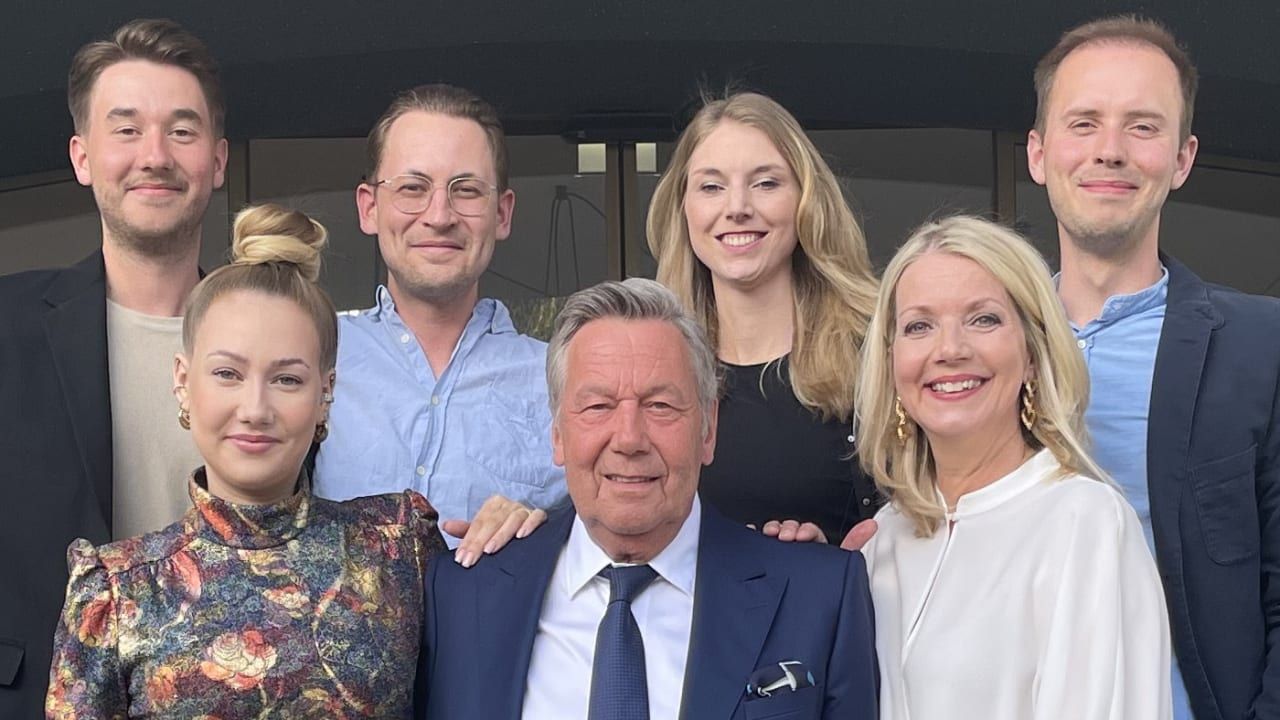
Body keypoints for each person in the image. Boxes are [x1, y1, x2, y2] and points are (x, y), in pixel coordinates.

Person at [46, 204, 450, 718]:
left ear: (325, 392)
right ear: (183, 382)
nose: (255, 409)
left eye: (287, 379)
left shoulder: (397, 548)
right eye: (228, 374)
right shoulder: (119, 590)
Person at [417, 279, 877, 719]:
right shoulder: (459, 598)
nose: (629, 439)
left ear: (708, 429)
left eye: (660, 406)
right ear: (557, 433)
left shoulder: (817, 595)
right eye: (598, 406)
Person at [1026, 16, 1280, 719]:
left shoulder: (1262, 348)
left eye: (1142, 127)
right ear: (1039, 153)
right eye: (1083, 123)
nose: (1109, 151)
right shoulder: (975, 353)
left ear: (1182, 158)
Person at [858, 216, 1170, 719]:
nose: (949, 349)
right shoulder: (882, 542)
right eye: (918, 326)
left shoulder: (1084, 523)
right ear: (891, 361)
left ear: (1031, 353)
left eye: (984, 319)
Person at [0, 20, 226, 716]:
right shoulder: (7, 323)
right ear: (82, 156)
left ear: (218, 160)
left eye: (181, 131)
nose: (154, 155)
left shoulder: (275, 344)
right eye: (126, 130)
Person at [315, 84, 565, 562]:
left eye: (466, 190)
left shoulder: (561, 381)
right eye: (412, 188)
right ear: (369, 207)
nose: (439, 215)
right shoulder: (312, 357)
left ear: (502, 213)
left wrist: (550, 531)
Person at [646, 91, 881, 544]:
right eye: (711, 187)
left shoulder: (879, 353)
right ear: (684, 208)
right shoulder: (655, 365)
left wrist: (834, 560)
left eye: (766, 183)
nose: (737, 207)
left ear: (806, 200)